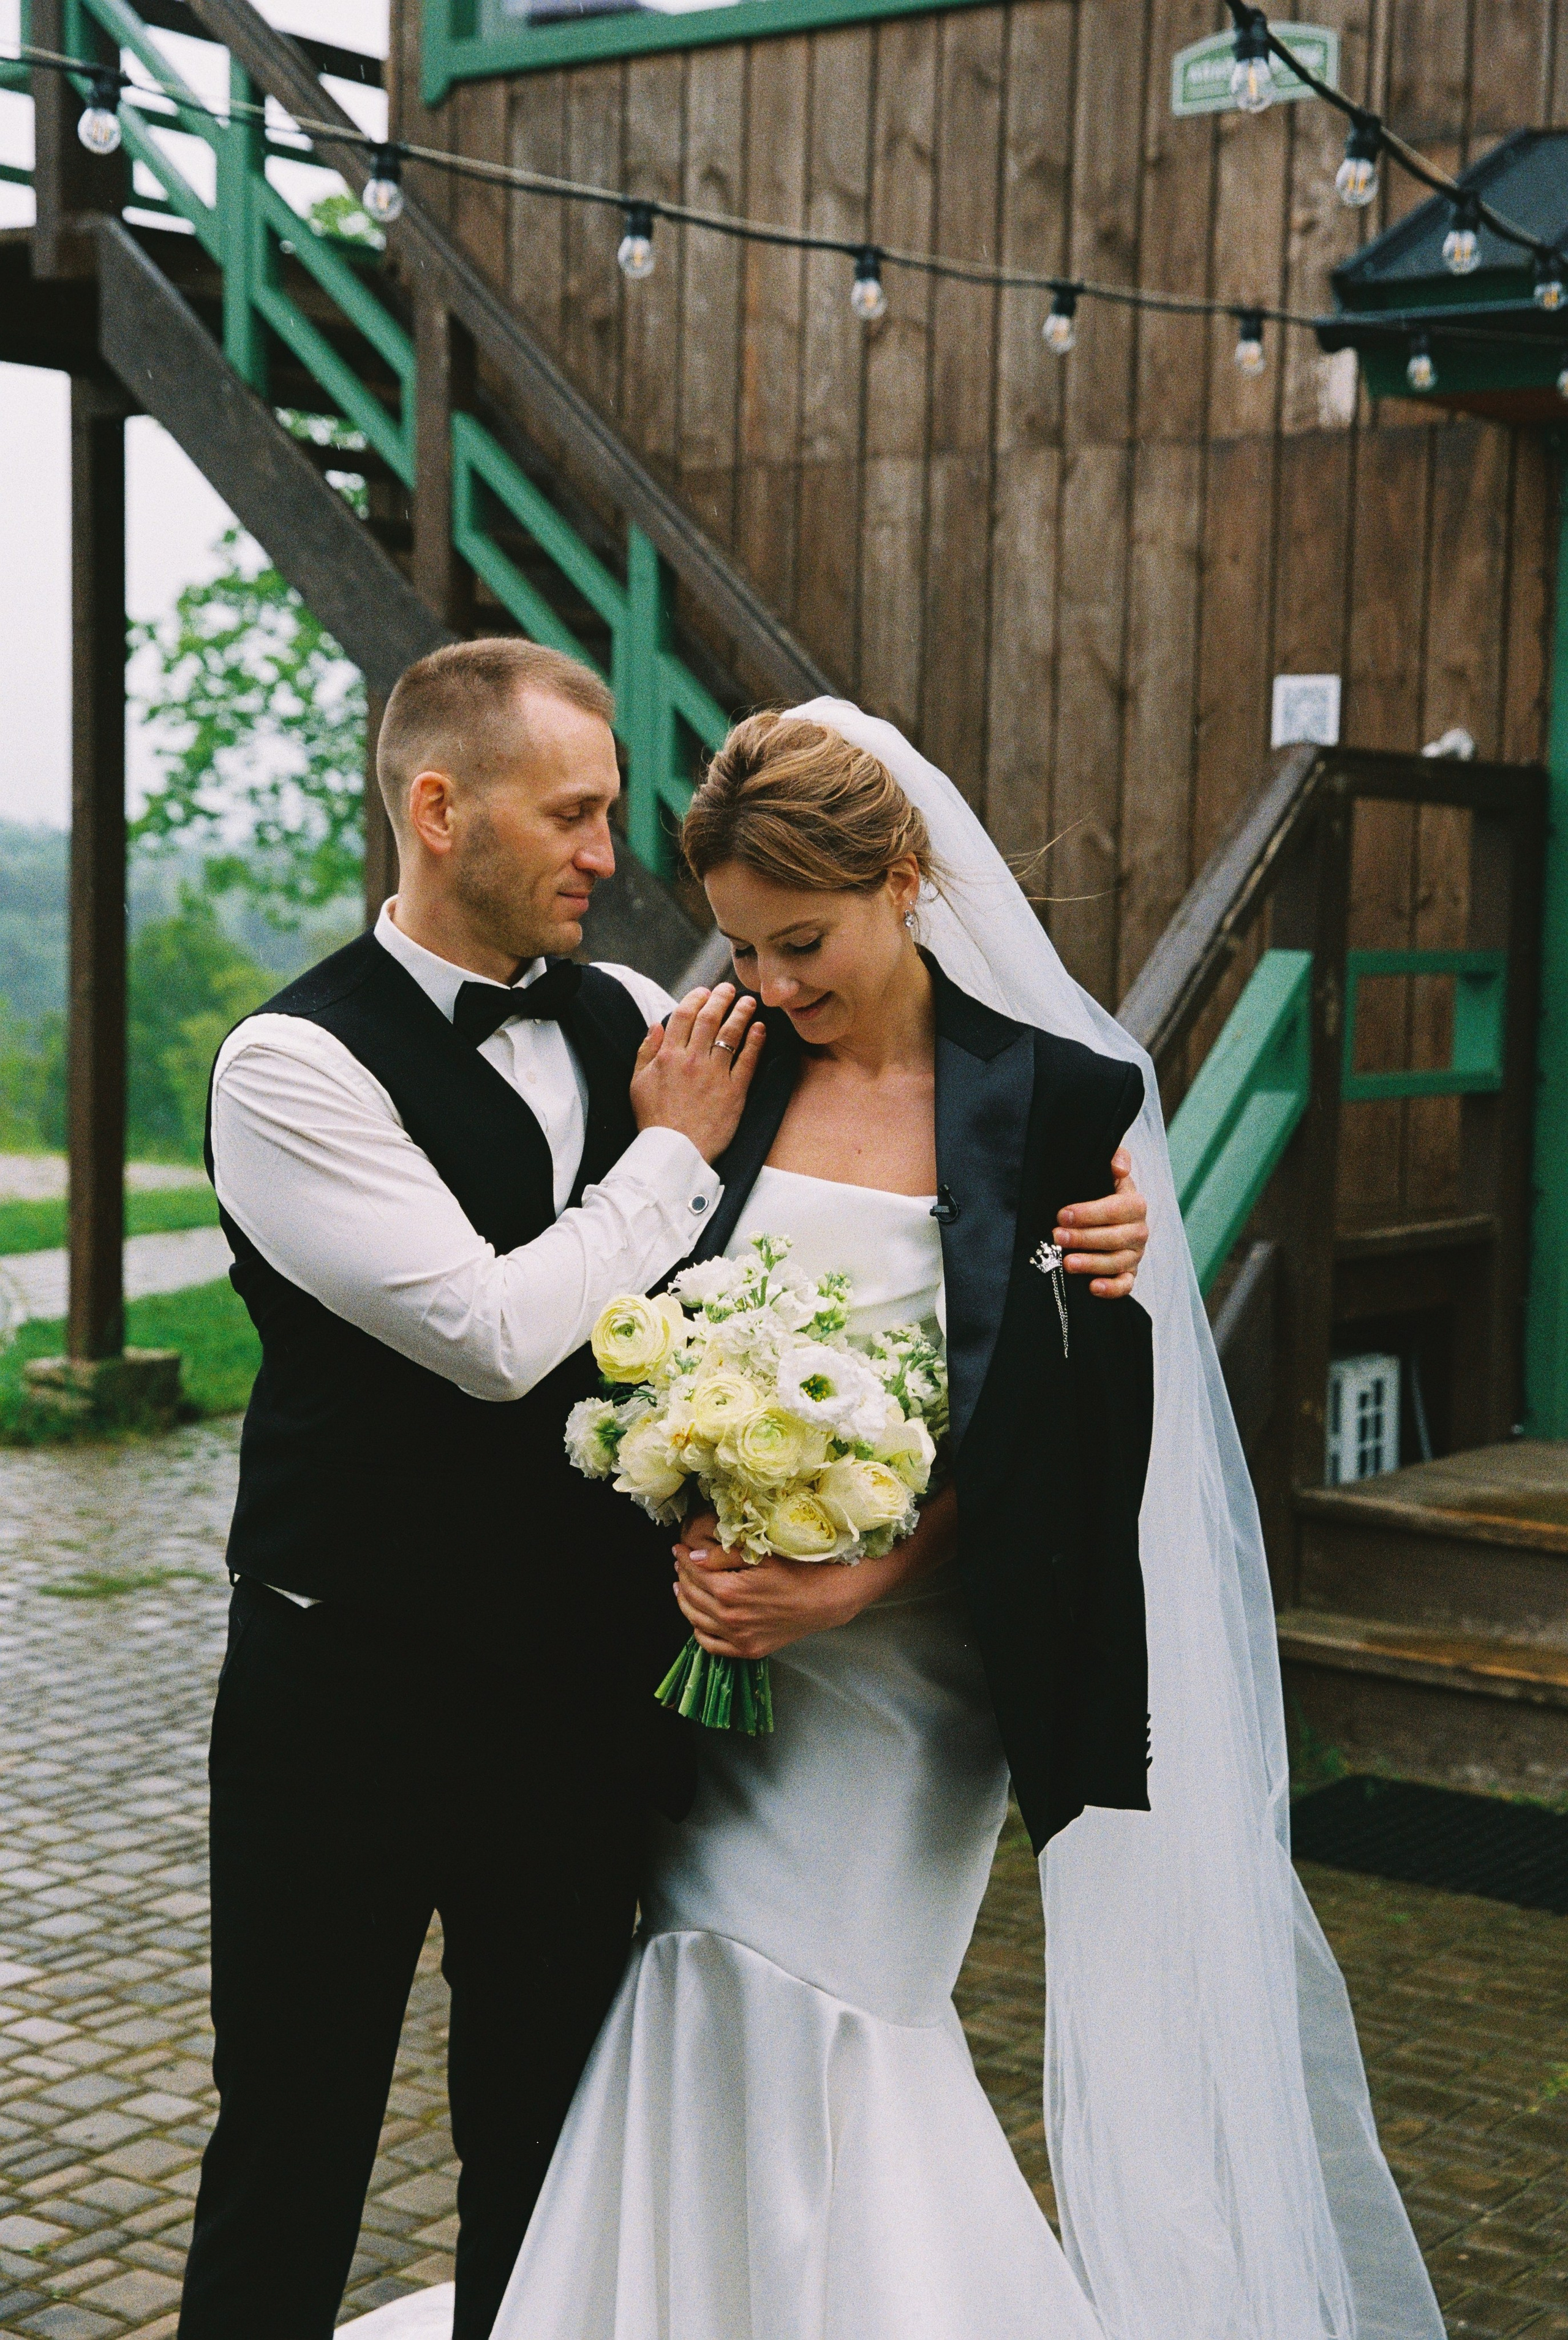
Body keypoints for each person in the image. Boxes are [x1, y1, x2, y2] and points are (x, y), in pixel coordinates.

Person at [378, 703, 1442, 2340]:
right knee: (697, 1970)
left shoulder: (1065, 1099)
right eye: (741, 943)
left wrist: (863, 1574)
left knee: (849, 1995)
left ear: (905, 878)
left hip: (918, 1668)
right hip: (714, 1659)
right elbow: (622, 1307)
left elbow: (1071, 1442)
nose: (773, 980)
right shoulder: (725, 1061)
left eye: (802, 941)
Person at [178, 642, 1150, 2340]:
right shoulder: (290, 1069)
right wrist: (665, 1159)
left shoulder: (656, 1020)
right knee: (296, 2138)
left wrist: (1099, 1237)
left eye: (613, 812)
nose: (605, 854)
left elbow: (936, 1199)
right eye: (570, 812)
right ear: (436, 808)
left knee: (548, 2142)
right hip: (350, 1697)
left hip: (588, 1702)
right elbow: (493, 1333)